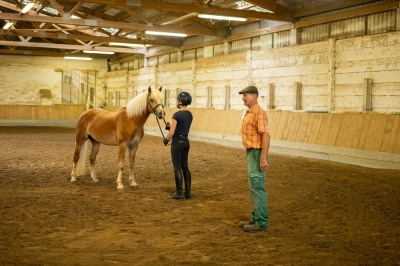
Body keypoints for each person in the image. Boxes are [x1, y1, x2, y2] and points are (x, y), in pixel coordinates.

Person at [238, 85, 270, 233]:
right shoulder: (249, 112)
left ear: (254, 96)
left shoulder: (259, 113)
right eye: (243, 95)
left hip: (257, 153)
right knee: (253, 187)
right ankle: (256, 218)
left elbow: (265, 135)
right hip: (251, 153)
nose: (243, 98)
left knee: (257, 187)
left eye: (246, 95)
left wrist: (263, 157)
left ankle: (261, 222)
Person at [165, 91, 193, 200]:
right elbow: (182, 127)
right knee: (185, 167)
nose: (177, 101)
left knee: (177, 168)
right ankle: (187, 193)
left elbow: (172, 133)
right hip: (186, 142)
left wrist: (166, 139)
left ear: (181, 101)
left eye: (178, 100)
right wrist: (170, 127)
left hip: (177, 143)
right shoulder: (189, 114)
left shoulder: (176, 115)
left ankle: (179, 193)